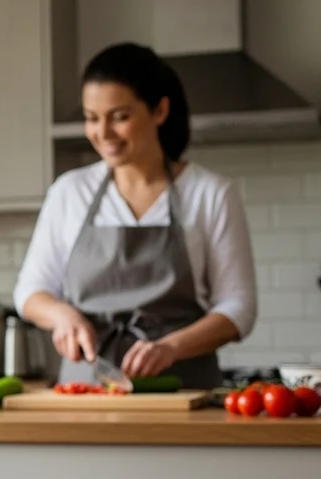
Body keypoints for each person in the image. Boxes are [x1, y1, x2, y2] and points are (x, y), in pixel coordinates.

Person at [13, 42, 258, 389]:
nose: (103, 133)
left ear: (159, 110)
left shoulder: (211, 194)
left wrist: (172, 347)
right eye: (92, 118)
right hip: (87, 391)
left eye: (119, 117)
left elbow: (239, 307)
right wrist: (62, 315)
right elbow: (30, 291)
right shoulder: (69, 192)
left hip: (184, 391)